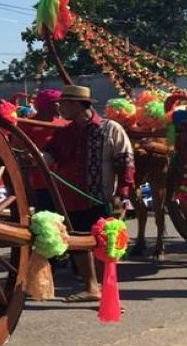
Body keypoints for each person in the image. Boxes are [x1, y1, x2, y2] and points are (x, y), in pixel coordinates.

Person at [43, 85, 134, 303]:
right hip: (71, 199)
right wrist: (36, 158)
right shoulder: (64, 133)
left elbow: (126, 162)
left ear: (77, 105)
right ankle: (91, 287)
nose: (60, 109)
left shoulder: (110, 129)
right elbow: (51, 155)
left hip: (101, 197)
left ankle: (107, 290)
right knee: (77, 242)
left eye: (64, 104)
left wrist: (122, 193)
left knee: (104, 243)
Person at [19, 88, 67, 212]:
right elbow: (17, 153)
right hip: (38, 183)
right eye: (57, 103)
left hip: (63, 181)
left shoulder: (64, 124)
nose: (60, 106)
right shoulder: (25, 125)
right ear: (48, 106)